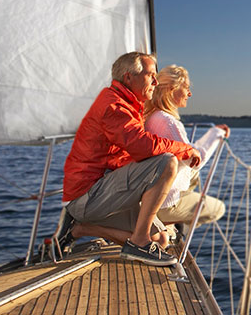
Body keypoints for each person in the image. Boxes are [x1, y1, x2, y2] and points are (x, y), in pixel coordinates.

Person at [60, 52, 201, 266]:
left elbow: (127, 154)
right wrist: (185, 149)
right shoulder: (113, 106)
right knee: (167, 162)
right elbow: (141, 146)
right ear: (128, 77)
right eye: (151, 75)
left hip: (100, 192)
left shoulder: (130, 105)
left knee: (162, 239)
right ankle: (139, 242)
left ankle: (80, 229)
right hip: (87, 196)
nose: (156, 81)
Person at [143, 65, 228, 234]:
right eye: (187, 88)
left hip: (148, 193)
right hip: (163, 204)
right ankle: (167, 226)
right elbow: (196, 161)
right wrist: (216, 134)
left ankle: (169, 225)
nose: (190, 94)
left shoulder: (151, 116)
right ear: (171, 89)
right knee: (219, 209)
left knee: (193, 177)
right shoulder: (168, 122)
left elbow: (187, 151)